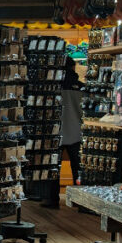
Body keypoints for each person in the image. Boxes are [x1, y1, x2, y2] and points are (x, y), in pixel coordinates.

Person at [48, 57, 83, 206]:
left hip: (57, 131)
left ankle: (52, 199)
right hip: (76, 131)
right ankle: (79, 200)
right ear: (73, 68)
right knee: (78, 167)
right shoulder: (81, 87)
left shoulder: (54, 86)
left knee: (54, 166)